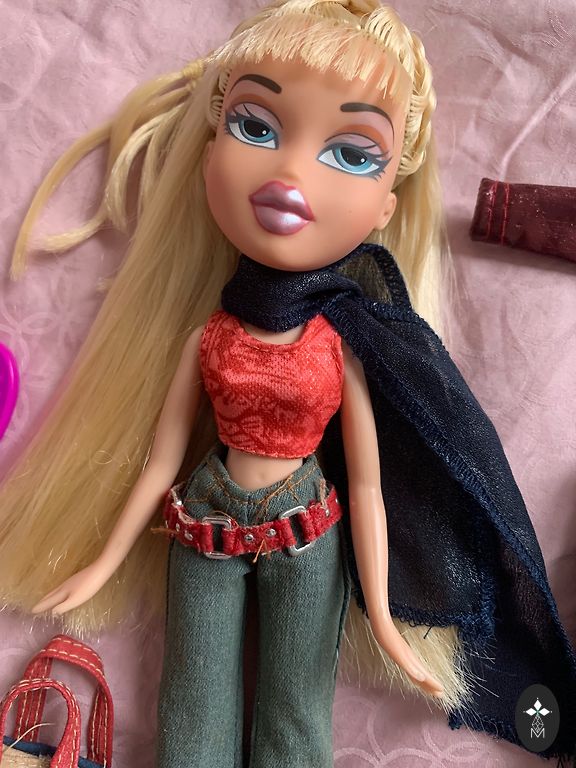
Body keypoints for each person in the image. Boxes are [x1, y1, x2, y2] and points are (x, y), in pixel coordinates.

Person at [1, 1, 575, 765]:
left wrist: (384, 617)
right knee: (192, 708)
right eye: (256, 126)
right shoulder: (207, 335)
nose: (291, 174)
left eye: (353, 154)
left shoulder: (344, 344)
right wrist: (103, 561)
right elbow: (163, 459)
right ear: (209, 152)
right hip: (205, 520)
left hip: (309, 530)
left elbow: (367, 485)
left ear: (386, 207)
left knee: (295, 720)